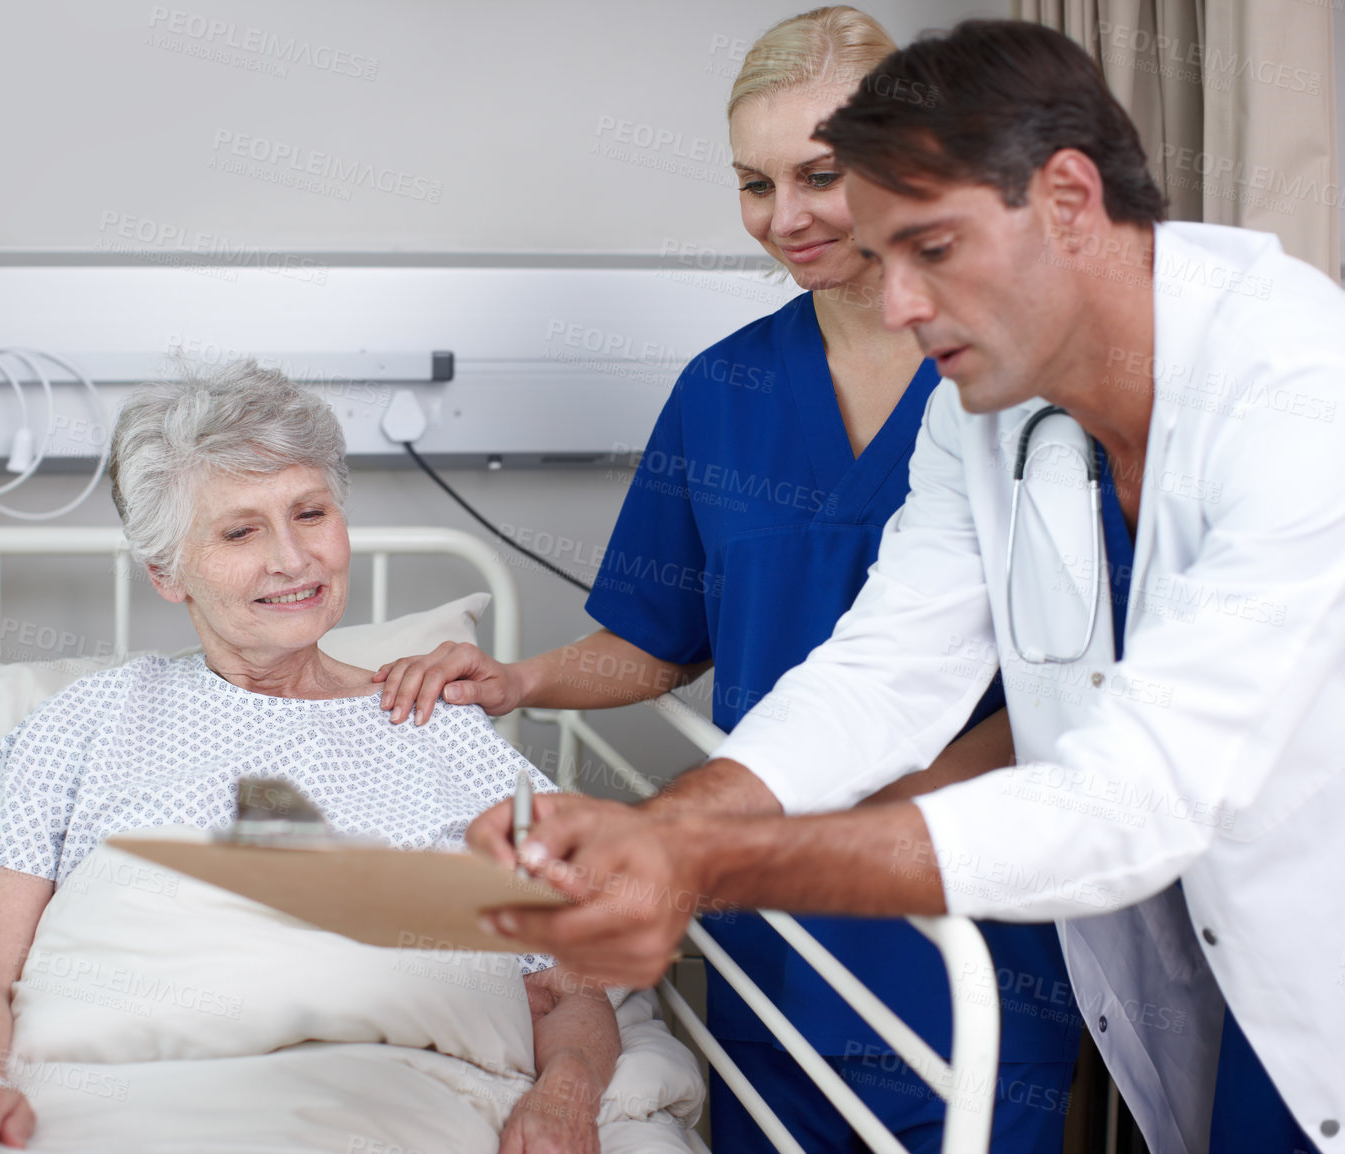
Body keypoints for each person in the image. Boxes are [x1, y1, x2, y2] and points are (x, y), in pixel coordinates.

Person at [469, 19, 1345, 1154]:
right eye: (883, 253)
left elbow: (1133, 792)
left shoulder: (1317, 399)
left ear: (1065, 198)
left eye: (931, 249)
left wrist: (702, 860)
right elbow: (883, 667)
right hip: (1205, 958)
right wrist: (655, 826)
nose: (896, 304)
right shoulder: (985, 406)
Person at [375, 9, 1079, 1151]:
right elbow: (663, 635)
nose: (785, 217)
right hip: (765, 931)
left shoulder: (1012, 387)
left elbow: (1073, 673)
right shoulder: (724, 390)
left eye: (820, 173)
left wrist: (867, 820)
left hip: (958, 912)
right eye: (755, 183)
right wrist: (516, 678)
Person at [0, 364, 619, 1154]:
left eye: (310, 513)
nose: (293, 558)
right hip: (111, 1098)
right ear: (166, 574)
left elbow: (561, 984)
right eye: (240, 531)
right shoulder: (92, 721)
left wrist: (565, 1098)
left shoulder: (436, 727)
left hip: (389, 1102)